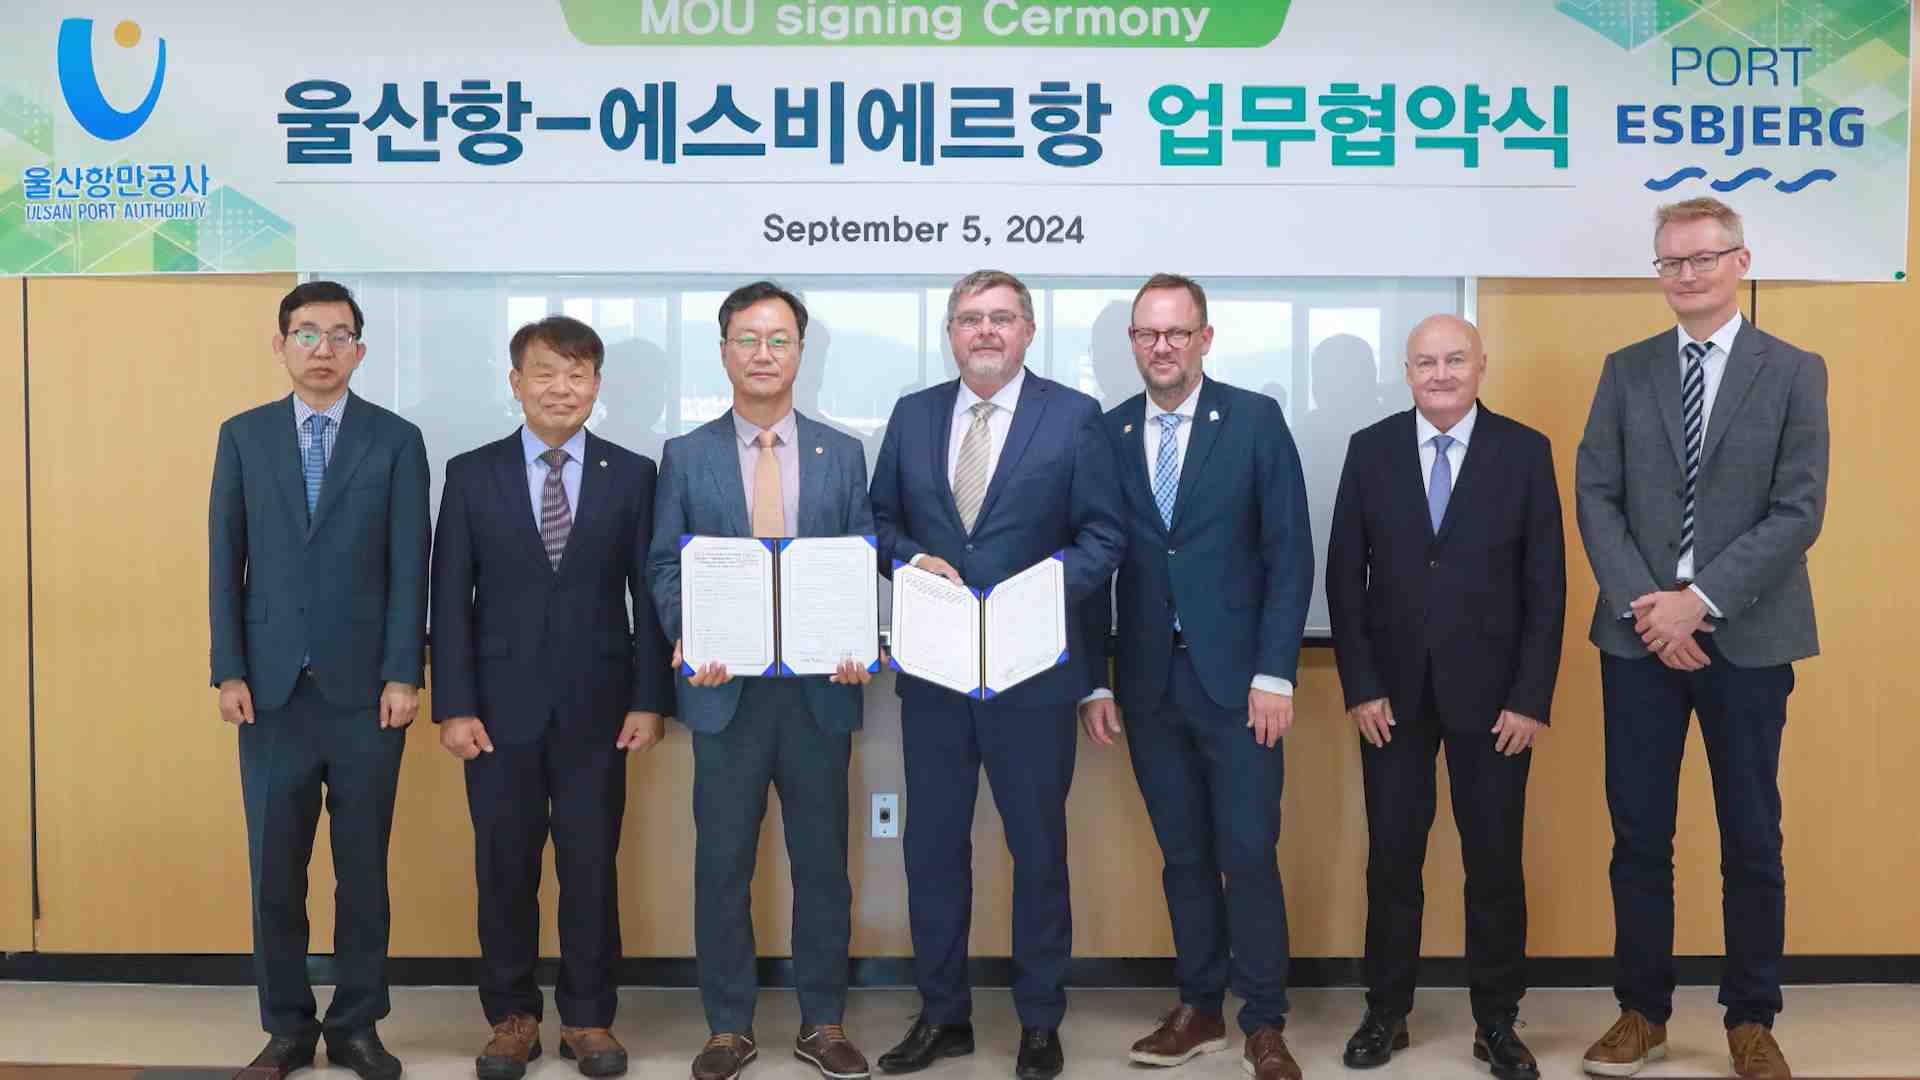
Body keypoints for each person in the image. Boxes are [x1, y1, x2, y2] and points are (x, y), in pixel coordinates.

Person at [1575, 197, 1828, 1080]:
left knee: (1751, 836)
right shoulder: (1626, 369)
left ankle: (1751, 1018)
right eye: (1671, 262)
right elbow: (1595, 493)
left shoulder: (1792, 371)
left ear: (1740, 262)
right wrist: (1651, 607)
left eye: (1703, 259)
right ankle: (1641, 1013)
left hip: (1748, 636)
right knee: (1639, 836)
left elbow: (1799, 509)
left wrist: (1701, 601)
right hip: (1637, 638)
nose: (1686, 275)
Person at [869, 270, 1124, 1080]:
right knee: (932, 851)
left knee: (1038, 852)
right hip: (936, 677)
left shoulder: (1073, 416)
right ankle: (943, 1015)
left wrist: (1036, 591)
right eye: (971, 318)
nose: (986, 331)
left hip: (1032, 674)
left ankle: (1040, 1020)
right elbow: (878, 522)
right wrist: (913, 560)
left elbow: (1103, 537)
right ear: (950, 332)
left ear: (1028, 330)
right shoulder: (913, 416)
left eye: (1002, 318)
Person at [1080, 274, 1312, 1080]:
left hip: (1241, 686)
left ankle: (1265, 1021)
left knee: (1247, 853)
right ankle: (1200, 1008)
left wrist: (1275, 674)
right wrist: (1095, 680)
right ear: (1132, 344)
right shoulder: (1107, 432)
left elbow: (1289, 553)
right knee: (1182, 857)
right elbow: (1092, 565)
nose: (1162, 347)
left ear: (1204, 338)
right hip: (1148, 683)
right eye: (1147, 334)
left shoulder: (1253, 421)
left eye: (1177, 333)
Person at [645, 282, 878, 1080]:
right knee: (723, 867)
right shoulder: (686, 455)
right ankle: (728, 1028)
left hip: (820, 693)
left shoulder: (843, 453)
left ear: (800, 353)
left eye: (779, 340)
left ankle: (823, 1022)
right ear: (723, 352)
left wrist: (857, 638)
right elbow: (664, 564)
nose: (764, 354)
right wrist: (690, 632)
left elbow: (860, 556)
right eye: (748, 339)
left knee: (823, 868)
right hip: (725, 694)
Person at [430, 315, 672, 1080]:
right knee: (504, 867)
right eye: (544, 372)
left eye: (577, 374)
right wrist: (454, 705)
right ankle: (511, 1018)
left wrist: (648, 699)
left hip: (600, 709)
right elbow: (449, 596)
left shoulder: (632, 474)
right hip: (496, 712)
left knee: (590, 867)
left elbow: (648, 596)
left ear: (596, 386)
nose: (560, 388)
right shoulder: (472, 473)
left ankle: (589, 1018)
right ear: (516, 382)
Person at [1325, 314, 1565, 1080]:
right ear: (1407, 372)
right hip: (1390, 700)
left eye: (1455, 360)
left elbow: (1547, 585)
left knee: (1494, 864)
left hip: (1497, 704)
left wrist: (1530, 697)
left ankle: (1496, 1021)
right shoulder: (1370, 450)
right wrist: (1361, 685)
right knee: (1393, 860)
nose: (1440, 374)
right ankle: (1386, 1011)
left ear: (1481, 366)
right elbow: (1344, 578)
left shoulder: (1524, 451)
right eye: (1425, 362)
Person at [208, 280, 429, 1080]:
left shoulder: (396, 440)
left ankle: (357, 1025)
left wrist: (404, 672)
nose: (323, 350)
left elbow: (411, 566)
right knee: (276, 870)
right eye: (307, 334)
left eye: (339, 336)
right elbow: (224, 558)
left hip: (368, 694)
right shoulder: (243, 436)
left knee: (362, 871)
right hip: (270, 693)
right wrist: (228, 667)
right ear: (281, 345)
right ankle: (286, 1028)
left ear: (359, 350)